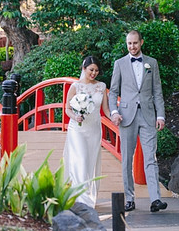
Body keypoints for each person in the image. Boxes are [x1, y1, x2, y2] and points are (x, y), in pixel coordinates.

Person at [108, 30, 168, 213]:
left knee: (151, 158)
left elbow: (157, 91)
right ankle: (129, 198)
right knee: (127, 159)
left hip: (149, 116)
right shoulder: (120, 64)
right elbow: (113, 92)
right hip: (127, 116)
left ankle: (155, 199)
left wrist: (161, 115)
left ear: (141, 42)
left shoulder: (152, 63)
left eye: (135, 43)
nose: (132, 47)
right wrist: (114, 112)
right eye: (129, 44)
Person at [62, 56, 110, 207]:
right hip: (77, 129)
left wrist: (116, 117)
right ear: (84, 69)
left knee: (90, 162)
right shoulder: (76, 86)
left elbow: (106, 109)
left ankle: (87, 194)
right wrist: (75, 117)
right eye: (91, 70)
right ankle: (81, 200)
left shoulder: (101, 86)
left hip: (94, 129)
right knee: (81, 160)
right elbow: (67, 108)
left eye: (96, 70)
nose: (94, 73)